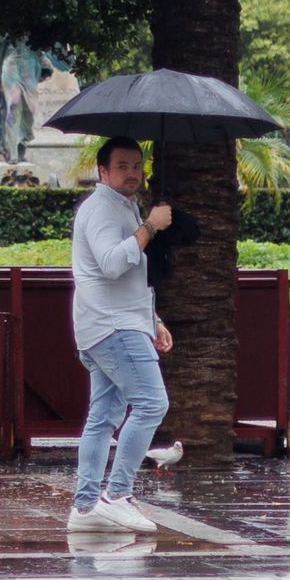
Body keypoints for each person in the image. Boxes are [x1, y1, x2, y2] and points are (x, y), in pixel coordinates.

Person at [67, 138, 174, 534]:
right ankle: (117, 496)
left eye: (137, 166)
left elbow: (130, 277)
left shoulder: (122, 206)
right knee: (151, 403)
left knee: (103, 416)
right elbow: (112, 264)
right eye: (122, 166)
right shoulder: (101, 209)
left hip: (110, 323)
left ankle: (85, 508)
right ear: (103, 171)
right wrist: (150, 227)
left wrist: (153, 319)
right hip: (114, 326)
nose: (132, 173)